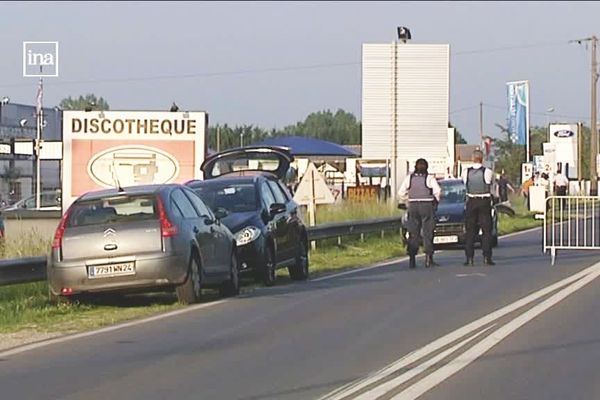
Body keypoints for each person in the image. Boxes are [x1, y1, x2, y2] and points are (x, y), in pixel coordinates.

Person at [398, 158, 442, 269]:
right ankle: (428, 258)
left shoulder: (410, 178)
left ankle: (412, 259)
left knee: (413, 233)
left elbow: (401, 192)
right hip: (426, 205)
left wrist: (407, 199)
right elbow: (438, 191)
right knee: (428, 232)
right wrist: (435, 200)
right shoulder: (429, 178)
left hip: (413, 206)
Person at [461, 150, 495, 266]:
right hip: (484, 201)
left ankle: (469, 257)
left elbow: (465, 183)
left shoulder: (466, 172)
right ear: (482, 159)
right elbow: (490, 185)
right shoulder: (487, 172)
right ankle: (487, 256)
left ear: (472, 158)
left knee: (470, 230)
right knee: (486, 230)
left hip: (471, 201)